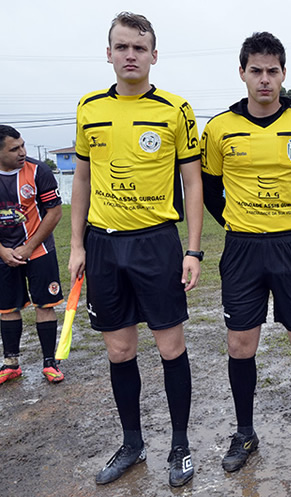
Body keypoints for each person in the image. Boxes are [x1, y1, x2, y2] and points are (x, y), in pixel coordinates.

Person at [69, 12, 202, 487]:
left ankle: (181, 444)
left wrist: (192, 250)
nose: (130, 55)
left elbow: (191, 181)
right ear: (109, 53)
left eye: (139, 48)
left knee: (170, 347)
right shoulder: (88, 107)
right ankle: (132, 443)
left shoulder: (175, 109)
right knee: (120, 351)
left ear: (153, 55)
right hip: (104, 247)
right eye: (122, 47)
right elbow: (80, 179)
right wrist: (78, 244)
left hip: (156, 244)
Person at [200, 32, 291, 471]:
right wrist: (236, 225)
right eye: (255, 71)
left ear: (283, 74)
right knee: (241, 344)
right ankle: (244, 434)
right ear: (242, 72)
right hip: (242, 249)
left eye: (272, 71)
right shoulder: (219, 128)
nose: (264, 79)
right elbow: (208, 188)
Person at [0, 125, 64, 385]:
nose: (22, 152)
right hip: (4, 253)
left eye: (23, 145)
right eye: (14, 148)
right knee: (6, 308)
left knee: (44, 305)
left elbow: (55, 212)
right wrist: (3, 251)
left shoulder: (39, 170)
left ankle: (50, 362)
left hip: (39, 251)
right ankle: (11, 364)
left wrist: (28, 247)